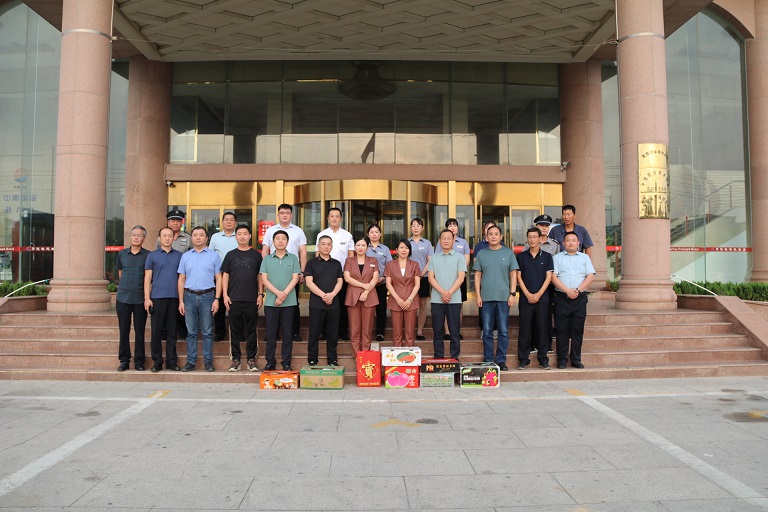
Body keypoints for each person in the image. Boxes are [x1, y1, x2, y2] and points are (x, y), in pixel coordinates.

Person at [178, 226, 222, 372]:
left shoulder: (214, 256)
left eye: (201, 235)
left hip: (207, 296)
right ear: (192, 238)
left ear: (206, 238)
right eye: (195, 235)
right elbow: (181, 279)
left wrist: (217, 299)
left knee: (207, 331)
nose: (198, 237)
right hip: (189, 296)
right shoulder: (185, 256)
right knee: (191, 331)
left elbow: (219, 278)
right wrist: (181, 301)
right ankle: (191, 362)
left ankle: (208, 361)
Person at [473, 224, 518, 370]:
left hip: (503, 298)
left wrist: (512, 294)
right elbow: (477, 275)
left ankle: (501, 360)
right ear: (486, 237)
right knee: (487, 331)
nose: (493, 236)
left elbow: (513, 274)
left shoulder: (508, 253)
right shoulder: (482, 254)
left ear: (501, 236)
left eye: (496, 234)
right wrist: (478, 295)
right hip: (486, 298)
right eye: (490, 234)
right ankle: (488, 359)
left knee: (503, 331)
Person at [262, 204, 308, 342]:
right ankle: (273, 333)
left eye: (287, 212)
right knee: (272, 303)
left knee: (293, 303)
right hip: (273, 271)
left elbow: (303, 252)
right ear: (278, 215)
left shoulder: (298, 231)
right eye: (282, 213)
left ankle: (294, 332)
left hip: (293, 272)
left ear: (291, 215)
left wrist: (302, 271)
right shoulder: (271, 231)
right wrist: (266, 268)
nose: (285, 215)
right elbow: (265, 251)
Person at [551, 231, 596, 369]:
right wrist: (567, 290)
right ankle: (562, 360)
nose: (571, 243)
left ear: (578, 243)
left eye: (573, 240)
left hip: (579, 298)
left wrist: (577, 290)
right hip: (562, 298)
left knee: (578, 330)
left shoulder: (584, 258)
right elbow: (553, 277)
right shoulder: (557, 258)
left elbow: (590, 276)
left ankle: (576, 359)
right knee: (561, 330)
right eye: (568, 240)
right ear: (563, 243)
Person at [221, 224, 263, 372]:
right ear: (236, 236)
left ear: (250, 236)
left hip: (252, 299)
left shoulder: (256, 255)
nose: (242, 236)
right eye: (239, 234)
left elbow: (260, 276)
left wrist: (260, 294)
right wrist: (225, 295)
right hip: (234, 299)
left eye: (245, 234)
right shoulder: (230, 255)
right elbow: (225, 276)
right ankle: (236, 360)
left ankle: (251, 359)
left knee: (252, 330)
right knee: (234, 330)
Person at [260, 229, 301, 371]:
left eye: (283, 238)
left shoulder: (293, 258)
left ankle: (286, 361)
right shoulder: (266, 259)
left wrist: (284, 295)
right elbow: (264, 280)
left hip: (289, 302)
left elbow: (295, 278)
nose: (280, 241)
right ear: (273, 242)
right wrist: (278, 294)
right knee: (271, 334)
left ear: (287, 242)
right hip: (271, 302)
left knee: (287, 334)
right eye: (277, 239)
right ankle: (270, 361)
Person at [144, 227, 183, 372]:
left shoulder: (179, 256)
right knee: (156, 331)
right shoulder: (152, 255)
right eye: (164, 236)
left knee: (172, 331)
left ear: (174, 238)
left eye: (169, 236)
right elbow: (147, 278)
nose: (167, 238)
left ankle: (171, 361)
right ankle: (157, 361)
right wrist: (147, 298)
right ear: (159, 238)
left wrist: (181, 300)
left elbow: (182, 278)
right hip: (157, 297)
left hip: (174, 297)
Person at [516, 227, 554, 370]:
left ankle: (543, 359)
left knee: (542, 329)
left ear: (539, 239)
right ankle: (523, 359)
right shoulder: (521, 257)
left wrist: (538, 294)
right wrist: (527, 294)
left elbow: (549, 277)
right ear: (527, 239)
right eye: (529, 237)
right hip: (525, 299)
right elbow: (518, 277)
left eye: (534, 237)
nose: (532, 239)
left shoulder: (547, 257)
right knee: (524, 329)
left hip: (542, 299)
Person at [304, 235, 344, 366]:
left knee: (333, 334)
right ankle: (312, 359)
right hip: (316, 304)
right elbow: (309, 283)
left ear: (332, 247)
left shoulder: (337, 263)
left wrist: (332, 295)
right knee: (314, 333)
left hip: (334, 304)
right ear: (318, 246)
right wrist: (323, 295)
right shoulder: (311, 263)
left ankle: (332, 359)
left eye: (328, 244)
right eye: (323, 244)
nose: (326, 246)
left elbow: (340, 281)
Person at [428, 229, 466, 359]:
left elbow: (461, 277)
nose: (446, 240)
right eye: (443, 238)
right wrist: (442, 292)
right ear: (439, 241)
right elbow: (430, 277)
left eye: (448, 238)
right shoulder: (434, 257)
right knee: (437, 331)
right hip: (436, 299)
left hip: (454, 299)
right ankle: (439, 357)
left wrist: (448, 293)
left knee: (454, 331)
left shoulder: (459, 257)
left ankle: (454, 357)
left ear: (453, 240)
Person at [115, 225, 150, 371]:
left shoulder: (148, 255)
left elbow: (149, 277)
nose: (136, 238)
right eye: (134, 235)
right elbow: (120, 273)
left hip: (140, 299)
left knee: (140, 331)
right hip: (123, 298)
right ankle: (124, 360)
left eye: (139, 235)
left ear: (144, 239)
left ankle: (139, 361)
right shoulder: (122, 254)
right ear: (130, 237)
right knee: (124, 330)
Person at [317, 207, 354, 339]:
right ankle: (324, 333)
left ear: (341, 219)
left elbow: (351, 256)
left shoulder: (347, 235)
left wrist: (348, 274)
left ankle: (342, 332)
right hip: (325, 275)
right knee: (324, 304)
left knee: (342, 305)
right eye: (332, 216)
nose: (334, 219)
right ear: (328, 218)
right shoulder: (321, 235)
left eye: (337, 216)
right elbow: (317, 254)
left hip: (343, 275)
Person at [344, 236, 380, 353]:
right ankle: (357, 357)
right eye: (358, 245)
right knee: (354, 329)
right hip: (352, 297)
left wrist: (366, 291)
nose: (360, 247)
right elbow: (347, 278)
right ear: (354, 247)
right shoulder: (349, 261)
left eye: (363, 245)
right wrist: (364, 286)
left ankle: (365, 356)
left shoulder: (373, 260)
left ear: (367, 247)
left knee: (367, 329)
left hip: (369, 296)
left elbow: (375, 278)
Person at [159, 209, 191, 340]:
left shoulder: (188, 238)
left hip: (183, 277)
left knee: (181, 303)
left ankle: (183, 332)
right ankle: (164, 331)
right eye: (172, 220)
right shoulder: (160, 238)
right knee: (166, 305)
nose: (175, 223)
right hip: (166, 277)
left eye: (178, 221)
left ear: (182, 222)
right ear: (168, 222)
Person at [384, 239, 421, 347]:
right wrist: (398, 299)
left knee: (410, 333)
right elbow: (388, 284)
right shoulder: (390, 264)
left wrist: (409, 299)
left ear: (409, 250)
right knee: (396, 333)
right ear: (396, 250)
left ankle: (409, 356)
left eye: (406, 248)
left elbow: (417, 284)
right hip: (396, 300)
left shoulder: (415, 264)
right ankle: (397, 355)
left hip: (411, 301)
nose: (404, 250)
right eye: (401, 247)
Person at [209, 211, 239, 342]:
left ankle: (238, 333)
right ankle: (220, 332)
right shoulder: (215, 237)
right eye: (226, 219)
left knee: (236, 305)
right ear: (222, 222)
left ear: (235, 222)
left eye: (231, 220)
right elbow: (210, 255)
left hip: (236, 275)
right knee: (219, 304)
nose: (229, 222)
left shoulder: (239, 236)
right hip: (219, 275)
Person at [441, 218, 470, 341]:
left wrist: (460, 271)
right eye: (450, 225)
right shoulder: (441, 242)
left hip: (459, 278)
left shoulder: (463, 242)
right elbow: (438, 258)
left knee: (459, 304)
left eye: (454, 225)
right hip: (445, 278)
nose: (452, 227)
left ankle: (456, 330)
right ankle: (447, 331)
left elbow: (467, 259)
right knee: (445, 304)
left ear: (458, 228)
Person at [366, 224, 392, 342]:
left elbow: (389, 266)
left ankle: (380, 332)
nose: (374, 234)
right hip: (367, 284)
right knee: (368, 309)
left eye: (376, 232)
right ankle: (367, 332)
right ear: (368, 234)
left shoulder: (385, 249)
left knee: (381, 308)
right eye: (372, 232)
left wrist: (384, 278)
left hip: (381, 283)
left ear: (380, 234)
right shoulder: (364, 247)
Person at [408, 218, 433, 340]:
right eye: (413, 225)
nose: (416, 228)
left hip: (423, 277)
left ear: (422, 228)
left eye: (418, 225)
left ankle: (419, 331)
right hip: (409, 278)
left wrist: (421, 273)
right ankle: (409, 330)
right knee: (410, 303)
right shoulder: (407, 242)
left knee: (422, 304)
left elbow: (430, 261)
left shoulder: (427, 243)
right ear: (410, 228)